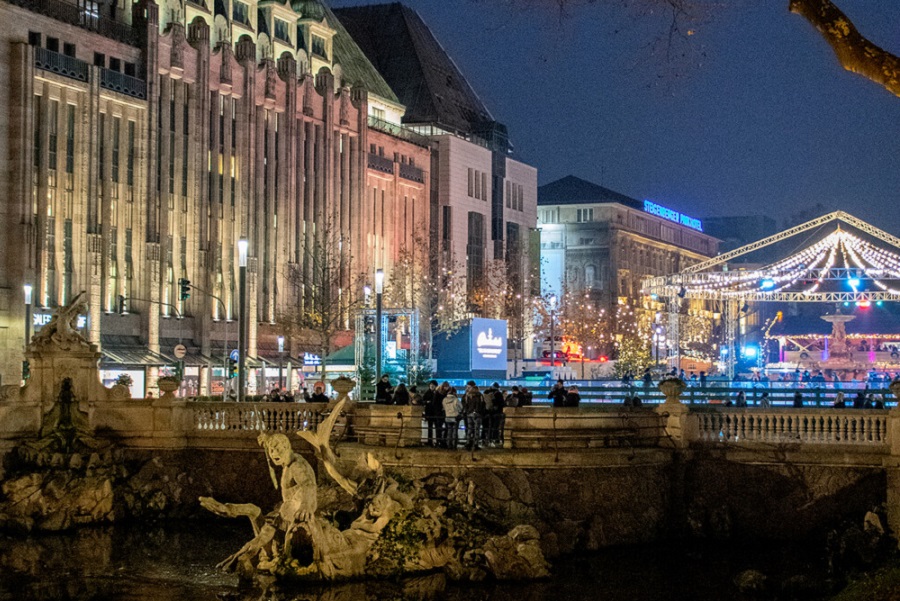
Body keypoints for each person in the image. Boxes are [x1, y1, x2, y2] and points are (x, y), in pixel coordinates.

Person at [462, 384, 485, 450]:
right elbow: (482, 405)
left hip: (469, 414)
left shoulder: (468, 395)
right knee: (477, 430)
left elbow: (465, 405)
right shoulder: (480, 396)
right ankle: (475, 444)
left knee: (469, 429)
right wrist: (480, 412)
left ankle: (468, 443)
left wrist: (468, 411)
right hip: (477, 414)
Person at [422, 380, 445, 447]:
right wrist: (426, 402)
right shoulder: (427, 393)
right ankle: (430, 441)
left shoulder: (438, 393)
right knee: (430, 427)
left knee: (437, 428)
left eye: (433, 385)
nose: (431, 386)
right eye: (431, 385)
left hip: (436, 412)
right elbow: (423, 401)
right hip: (429, 412)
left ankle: (438, 441)